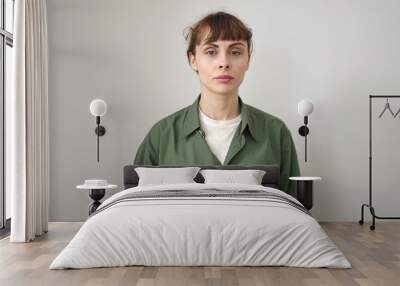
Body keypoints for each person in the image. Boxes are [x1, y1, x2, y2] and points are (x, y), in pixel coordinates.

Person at [134, 11, 300, 197]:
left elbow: (294, 210)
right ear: (193, 60)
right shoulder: (161, 135)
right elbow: (134, 211)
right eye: (211, 52)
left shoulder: (276, 133)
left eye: (235, 52)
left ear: (248, 60)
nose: (224, 62)